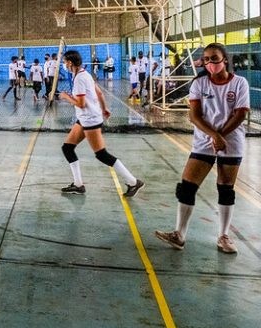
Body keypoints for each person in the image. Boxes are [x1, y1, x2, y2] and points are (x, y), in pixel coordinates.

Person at [155, 43, 250, 254]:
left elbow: (241, 113)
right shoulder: (199, 84)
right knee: (187, 187)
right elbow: (194, 116)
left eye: (214, 58)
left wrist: (221, 136)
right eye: (206, 59)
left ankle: (223, 236)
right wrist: (213, 135)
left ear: (225, 59)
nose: (210, 63)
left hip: (231, 142)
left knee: (226, 188)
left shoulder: (239, 83)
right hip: (204, 142)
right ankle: (179, 234)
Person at [58, 50, 144, 196]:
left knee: (102, 155)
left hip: (89, 120)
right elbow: (99, 93)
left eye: (65, 61)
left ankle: (133, 182)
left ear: (70, 63)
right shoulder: (84, 74)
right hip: (85, 118)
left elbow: (81, 103)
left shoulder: (79, 78)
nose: (64, 64)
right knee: (67, 148)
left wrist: (66, 96)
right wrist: (104, 109)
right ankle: (78, 185)